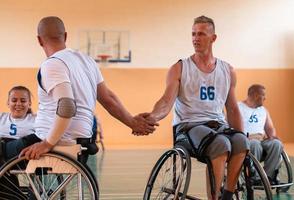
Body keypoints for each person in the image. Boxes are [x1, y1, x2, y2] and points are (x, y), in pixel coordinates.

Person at [1, 16, 156, 164]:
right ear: (65, 36)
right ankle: (19, 192)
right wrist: (132, 123)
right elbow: (108, 98)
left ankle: (13, 192)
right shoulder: (87, 61)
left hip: (53, 141)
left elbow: (67, 106)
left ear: (39, 40)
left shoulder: (52, 64)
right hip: (83, 142)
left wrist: (47, 144)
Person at [136, 16, 249, 200]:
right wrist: (152, 117)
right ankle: (215, 196)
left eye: (201, 34)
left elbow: (233, 109)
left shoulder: (227, 70)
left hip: (216, 125)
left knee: (241, 142)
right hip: (188, 127)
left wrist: (242, 136)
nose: (196, 38)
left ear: (213, 38)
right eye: (193, 34)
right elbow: (166, 101)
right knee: (221, 143)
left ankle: (227, 194)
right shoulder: (180, 68)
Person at [238, 84, 283, 185]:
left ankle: (268, 177)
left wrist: (273, 136)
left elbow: (270, 128)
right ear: (255, 95)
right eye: (263, 95)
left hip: (261, 139)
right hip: (245, 140)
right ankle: (256, 177)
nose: (265, 98)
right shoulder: (238, 108)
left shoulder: (263, 110)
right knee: (254, 143)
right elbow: (233, 127)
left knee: (276, 143)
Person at [0, 86, 35, 163]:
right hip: (2, 148)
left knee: (35, 137)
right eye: (14, 100)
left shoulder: (36, 119)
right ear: (8, 103)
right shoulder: (1, 117)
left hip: (20, 151)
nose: (18, 104)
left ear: (29, 103)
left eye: (23, 101)